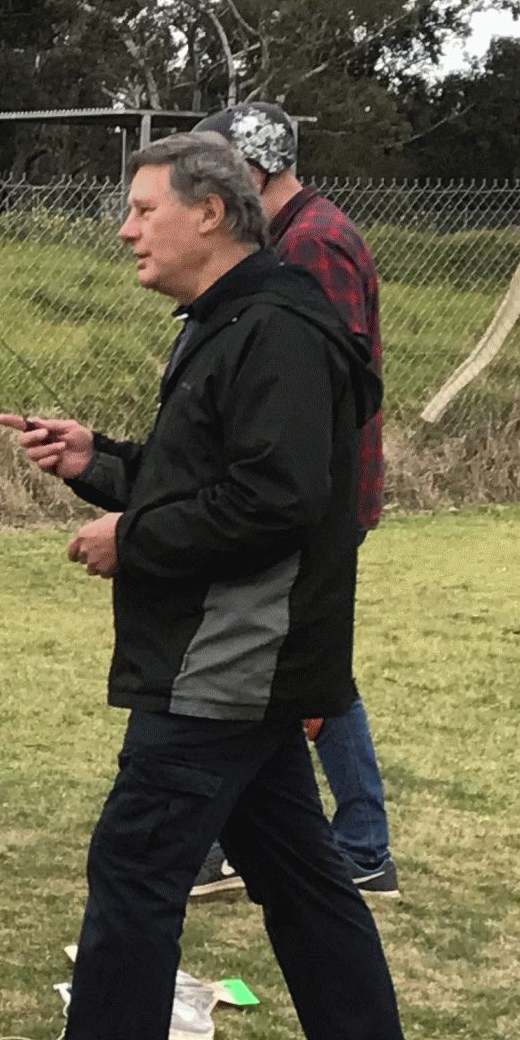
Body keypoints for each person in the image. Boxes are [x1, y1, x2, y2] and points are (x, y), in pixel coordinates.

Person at [0, 132, 424, 1040]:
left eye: (143, 209)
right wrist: (98, 462)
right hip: (244, 658)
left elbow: (274, 499)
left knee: (135, 862)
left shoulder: (275, 328)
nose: (125, 229)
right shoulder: (229, 323)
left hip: (231, 657)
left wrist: (131, 539)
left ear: (212, 213)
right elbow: (205, 478)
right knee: (298, 870)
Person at [189, 101, 399, 899]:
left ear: (255, 170)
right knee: (285, 666)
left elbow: (326, 384)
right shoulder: (296, 236)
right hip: (305, 491)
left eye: (216, 176)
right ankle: (256, 839)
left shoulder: (314, 243)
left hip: (314, 498)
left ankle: (360, 842)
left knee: (300, 667)